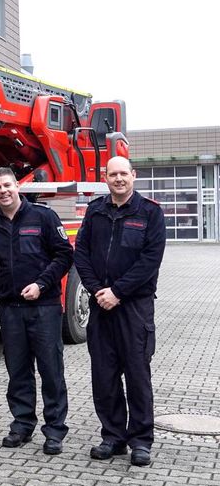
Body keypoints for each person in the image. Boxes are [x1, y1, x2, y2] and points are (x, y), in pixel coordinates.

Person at [0, 167, 73, 455]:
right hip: (10, 310)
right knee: (18, 371)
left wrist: (41, 283)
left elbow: (64, 255)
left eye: (7, 185)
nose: (3, 191)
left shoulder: (43, 216)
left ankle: (54, 431)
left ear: (17, 186)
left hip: (44, 308)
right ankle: (22, 425)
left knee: (51, 370)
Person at [74, 156, 166, 467]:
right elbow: (81, 252)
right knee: (104, 375)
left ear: (133, 176)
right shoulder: (95, 210)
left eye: (123, 173)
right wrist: (96, 289)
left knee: (137, 375)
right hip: (101, 305)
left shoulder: (150, 213)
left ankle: (141, 440)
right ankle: (112, 437)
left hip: (134, 308)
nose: (118, 179)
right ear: (105, 177)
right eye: (113, 174)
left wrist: (118, 292)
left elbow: (150, 261)